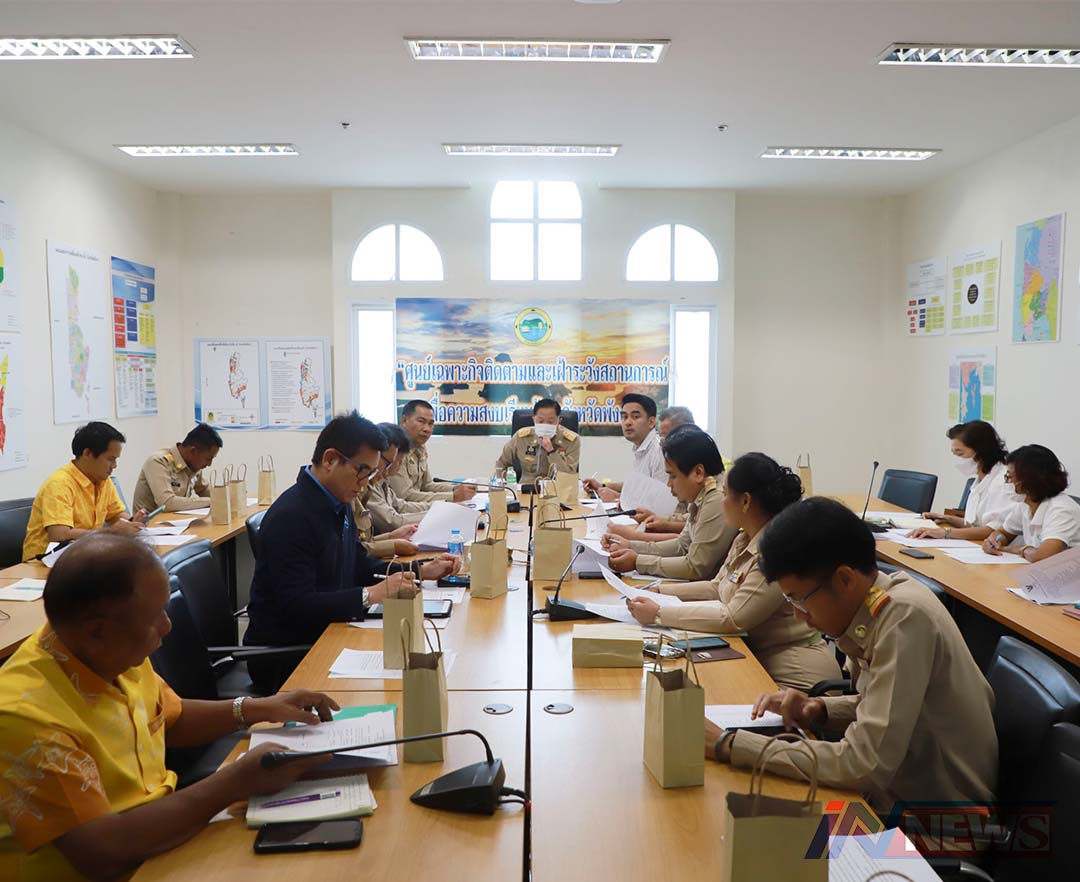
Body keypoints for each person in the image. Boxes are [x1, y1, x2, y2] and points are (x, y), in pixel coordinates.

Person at [0, 533, 337, 882]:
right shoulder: (25, 716)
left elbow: (168, 719)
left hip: (162, 838)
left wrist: (260, 708)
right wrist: (235, 782)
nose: (167, 625)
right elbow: (103, 854)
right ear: (97, 631)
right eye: (154, 616)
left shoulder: (108, 650)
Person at [705, 497, 997, 818]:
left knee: (756, 829)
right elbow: (884, 703)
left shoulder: (903, 619)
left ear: (844, 579)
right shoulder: (878, 605)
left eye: (799, 600)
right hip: (892, 795)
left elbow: (864, 765)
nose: (799, 615)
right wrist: (819, 709)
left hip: (931, 823)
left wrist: (730, 745)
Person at [244, 411, 458, 692]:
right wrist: (371, 594)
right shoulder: (292, 515)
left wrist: (419, 570)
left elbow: (358, 564)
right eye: (362, 471)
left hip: (328, 632)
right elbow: (296, 605)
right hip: (287, 655)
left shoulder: (337, 501)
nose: (366, 482)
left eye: (371, 473)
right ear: (330, 459)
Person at [626, 453, 840, 691]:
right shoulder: (744, 538)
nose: (721, 501)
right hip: (758, 661)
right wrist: (659, 591)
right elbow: (717, 587)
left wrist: (658, 614)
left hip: (795, 675)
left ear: (745, 501)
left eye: (726, 494)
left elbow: (734, 619)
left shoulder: (776, 550)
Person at [603, 427, 736, 580]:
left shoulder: (716, 499)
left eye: (672, 476)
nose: (669, 484)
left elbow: (695, 567)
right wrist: (630, 546)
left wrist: (638, 562)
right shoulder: (701, 493)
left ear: (698, 473)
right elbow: (682, 545)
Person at [22, 422, 145, 561]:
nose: (114, 466)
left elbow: (116, 514)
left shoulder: (102, 480)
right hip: (46, 562)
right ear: (87, 453)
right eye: (110, 459)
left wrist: (132, 522)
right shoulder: (60, 484)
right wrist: (112, 532)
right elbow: (59, 535)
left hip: (84, 555)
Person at [604, 406, 697, 541]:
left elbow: (686, 539)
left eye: (667, 437)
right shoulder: (673, 459)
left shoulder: (696, 472)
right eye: (661, 436)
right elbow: (685, 519)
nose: (662, 443)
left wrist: (633, 538)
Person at [908, 421, 1011, 542]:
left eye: (960, 453)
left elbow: (993, 530)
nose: (957, 459)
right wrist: (946, 518)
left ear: (981, 451)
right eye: (954, 453)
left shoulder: (1003, 480)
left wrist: (945, 532)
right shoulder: (980, 479)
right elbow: (974, 525)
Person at [983, 444, 1080, 562]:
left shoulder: (1061, 509)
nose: (1007, 482)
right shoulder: (1026, 504)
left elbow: (1043, 557)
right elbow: (1003, 533)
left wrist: (1020, 550)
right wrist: (993, 541)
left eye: (1009, 477)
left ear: (1029, 480)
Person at [582, 393, 667, 503]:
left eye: (635, 417)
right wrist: (601, 486)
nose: (628, 422)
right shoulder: (640, 448)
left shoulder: (658, 451)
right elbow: (635, 487)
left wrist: (617, 498)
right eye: (624, 417)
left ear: (651, 422)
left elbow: (660, 501)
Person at [388, 399, 475, 503]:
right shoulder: (395, 448)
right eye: (421, 421)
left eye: (431, 424)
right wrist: (452, 496)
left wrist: (456, 489)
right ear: (404, 420)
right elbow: (405, 495)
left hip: (419, 508)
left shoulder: (420, 447)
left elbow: (427, 485)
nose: (427, 429)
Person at [352, 427, 421, 558]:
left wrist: (391, 537)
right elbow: (352, 551)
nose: (385, 473)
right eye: (388, 464)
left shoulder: (368, 485)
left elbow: (360, 544)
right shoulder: (350, 492)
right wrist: (393, 545)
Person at [132, 423, 222, 515]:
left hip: (177, 521)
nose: (209, 464)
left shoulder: (193, 466)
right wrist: (209, 501)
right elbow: (167, 503)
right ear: (193, 451)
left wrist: (224, 499)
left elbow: (205, 490)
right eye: (208, 458)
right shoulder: (159, 462)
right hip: (150, 522)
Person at [493, 398, 580, 488]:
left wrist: (551, 451)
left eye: (550, 422)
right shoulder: (521, 437)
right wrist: (504, 487)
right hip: (526, 489)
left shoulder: (572, 440)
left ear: (559, 421)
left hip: (558, 490)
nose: (545, 425)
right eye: (540, 421)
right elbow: (501, 464)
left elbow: (569, 475)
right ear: (534, 420)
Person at [365, 422, 431, 537]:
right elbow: (392, 522)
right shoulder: (367, 483)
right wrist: (436, 514)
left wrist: (438, 507)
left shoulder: (382, 481)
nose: (399, 465)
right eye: (399, 460)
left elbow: (401, 506)